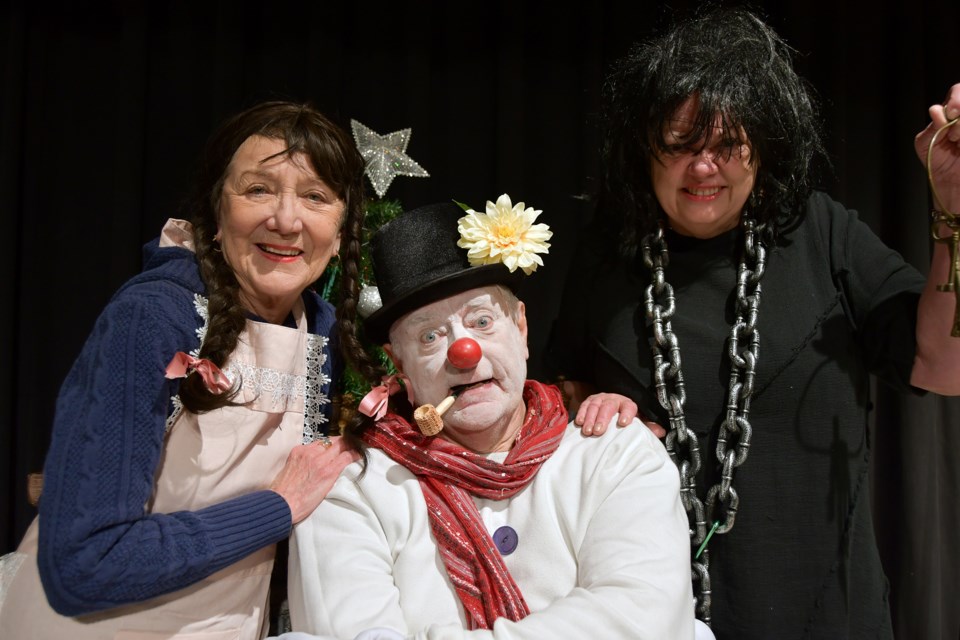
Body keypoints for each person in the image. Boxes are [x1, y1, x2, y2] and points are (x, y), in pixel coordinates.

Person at [543, 7, 960, 640]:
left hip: (825, 619)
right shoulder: (608, 256)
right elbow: (553, 404)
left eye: (725, 144)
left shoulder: (822, 234)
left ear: (762, 145)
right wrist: (586, 410)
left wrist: (956, 217)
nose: (702, 167)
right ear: (644, 151)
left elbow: (944, 366)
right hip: (651, 621)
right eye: (679, 145)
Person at [0, 101, 370, 639]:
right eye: (258, 189)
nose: (286, 219)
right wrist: (278, 506)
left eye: (315, 196)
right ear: (216, 213)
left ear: (339, 233)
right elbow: (85, 563)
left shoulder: (319, 330)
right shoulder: (151, 316)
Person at [279, 199, 700, 639]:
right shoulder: (353, 489)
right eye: (429, 336)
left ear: (521, 329)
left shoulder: (617, 454)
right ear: (398, 366)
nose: (465, 353)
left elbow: (644, 618)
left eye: (481, 320)